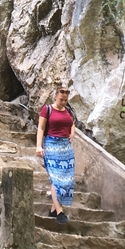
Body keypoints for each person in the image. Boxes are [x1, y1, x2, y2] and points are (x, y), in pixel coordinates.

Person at [36, 85, 75, 225]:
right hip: (52, 145)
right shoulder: (47, 109)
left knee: (67, 180)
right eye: (61, 99)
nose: (63, 102)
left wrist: (72, 133)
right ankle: (60, 212)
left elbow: (71, 122)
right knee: (56, 179)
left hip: (66, 147)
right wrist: (39, 146)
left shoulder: (68, 110)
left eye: (65, 100)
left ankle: (53, 210)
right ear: (55, 97)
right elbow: (41, 128)